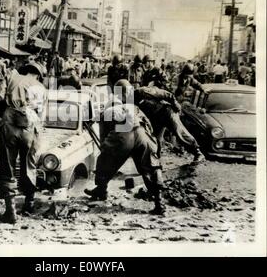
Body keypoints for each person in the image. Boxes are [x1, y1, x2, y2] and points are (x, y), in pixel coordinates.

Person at [84, 79, 166, 215]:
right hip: (141, 134)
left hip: (123, 135)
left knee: (104, 160)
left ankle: (101, 190)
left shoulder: (109, 108)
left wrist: (106, 148)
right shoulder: (134, 107)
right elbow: (148, 125)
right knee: (151, 167)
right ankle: (159, 202)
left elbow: (104, 133)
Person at [0, 62, 47, 224]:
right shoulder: (41, 88)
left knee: (7, 166)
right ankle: (29, 204)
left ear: (26, 70)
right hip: (31, 126)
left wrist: (5, 109)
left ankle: (11, 211)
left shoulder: (11, 76)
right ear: (38, 75)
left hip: (9, 124)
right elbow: (43, 115)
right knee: (29, 164)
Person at [134, 84, 205, 165]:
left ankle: (198, 153)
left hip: (167, 111)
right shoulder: (128, 101)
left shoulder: (142, 91)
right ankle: (156, 162)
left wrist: (176, 106)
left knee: (179, 132)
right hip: (155, 117)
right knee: (155, 139)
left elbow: (167, 95)